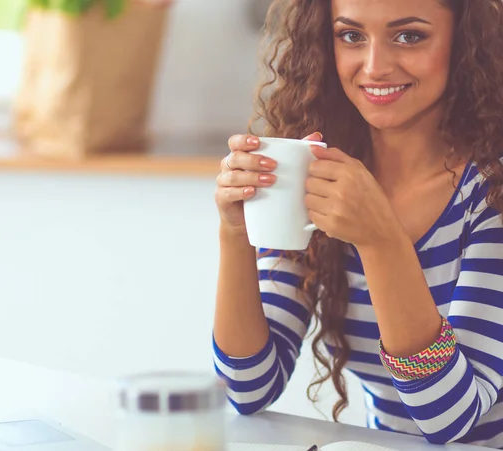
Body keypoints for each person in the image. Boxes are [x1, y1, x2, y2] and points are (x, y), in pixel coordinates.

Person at [212, 0, 503, 447]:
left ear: (464, 41)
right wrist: (236, 234)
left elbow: (451, 417)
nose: (375, 66)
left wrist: (381, 241)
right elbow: (246, 387)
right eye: (351, 36)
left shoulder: (492, 191)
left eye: (408, 36)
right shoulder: (318, 176)